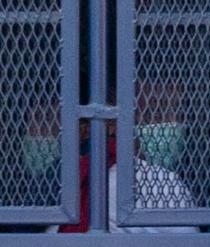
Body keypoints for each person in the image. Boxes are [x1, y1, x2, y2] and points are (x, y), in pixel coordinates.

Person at [61, 79, 198, 234]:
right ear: (113, 123)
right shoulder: (164, 183)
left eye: (179, 115)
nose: (172, 123)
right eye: (154, 113)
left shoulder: (66, 181)